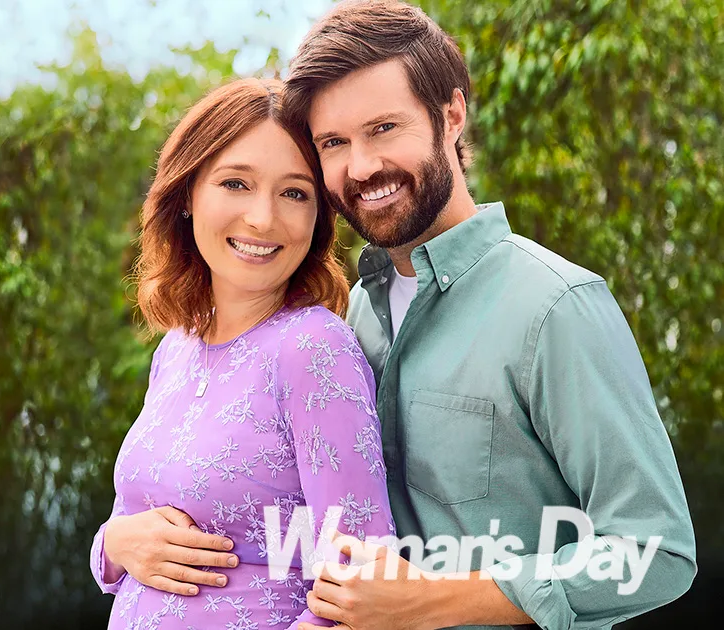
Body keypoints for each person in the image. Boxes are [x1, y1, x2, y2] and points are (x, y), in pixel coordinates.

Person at [279, 1, 697, 629]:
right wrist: (125, 541)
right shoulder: (354, 312)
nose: (361, 167)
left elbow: (655, 551)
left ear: (450, 116)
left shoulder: (556, 306)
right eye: (334, 143)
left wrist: (432, 601)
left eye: (384, 128)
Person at [89, 77, 396, 629]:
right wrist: (113, 544)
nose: (262, 218)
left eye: (295, 193)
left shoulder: (313, 348)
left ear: (317, 220)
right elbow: (132, 523)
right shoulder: (175, 349)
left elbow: (363, 583)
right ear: (187, 194)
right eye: (236, 183)